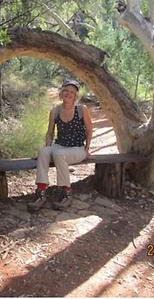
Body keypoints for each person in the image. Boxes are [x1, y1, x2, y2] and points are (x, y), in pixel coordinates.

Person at [28, 79, 93, 212]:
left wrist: (87, 149)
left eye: (72, 92)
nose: (68, 94)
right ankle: (40, 193)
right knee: (43, 151)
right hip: (59, 146)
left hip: (77, 148)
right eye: (66, 91)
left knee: (58, 154)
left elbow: (89, 129)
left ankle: (66, 193)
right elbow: (50, 132)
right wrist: (47, 148)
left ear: (76, 96)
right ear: (61, 92)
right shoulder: (55, 110)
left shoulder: (81, 109)